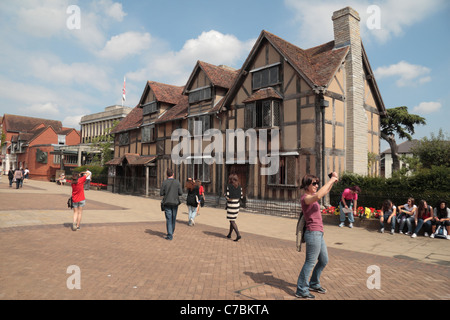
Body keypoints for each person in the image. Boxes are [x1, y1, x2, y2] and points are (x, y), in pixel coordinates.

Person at [295, 172, 338, 299]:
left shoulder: (313, 195)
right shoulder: (305, 198)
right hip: (312, 233)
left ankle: (313, 283)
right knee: (310, 262)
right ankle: (301, 289)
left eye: (317, 183)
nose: (316, 185)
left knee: (324, 260)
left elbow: (324, 192)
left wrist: (332, 180)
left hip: (319, 233)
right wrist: (331, 181)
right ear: (307, 185)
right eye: (314, 183)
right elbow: (320, 195)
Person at [160, 168, 182, 240]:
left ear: (167, 175)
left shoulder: (164, 182)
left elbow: (161, 193)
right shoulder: (177, 182)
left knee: (169, 219)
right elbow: (180, 193)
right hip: (175, 202)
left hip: (167, 202)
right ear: (173, 174)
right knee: (173, 218)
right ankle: (171, 231)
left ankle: (170, 235)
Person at [225, 173, 243, 242]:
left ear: (230, 179)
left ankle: (238, 234)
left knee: (232, 220)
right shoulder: (239, 186)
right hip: (237, 205)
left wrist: (225, 196)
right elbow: (241, 196)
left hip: (231, 205)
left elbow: (228, 198)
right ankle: (229, 234)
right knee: (232, 220)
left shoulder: (229, 186)